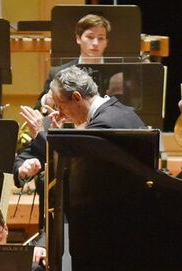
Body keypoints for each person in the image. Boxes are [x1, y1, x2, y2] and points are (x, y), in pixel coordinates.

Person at [15, 66, 146, 228]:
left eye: (60, 106)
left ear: (76, 97)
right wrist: (56, 134)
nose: (60, 114)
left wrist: (41, 134)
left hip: (117, 224)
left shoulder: (103, 125)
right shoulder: (119, 111)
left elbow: (72, 171)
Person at [36, 13, 111, 109]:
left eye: (101, 38)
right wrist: (47, 100)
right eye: (90, 37)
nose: (95, 43)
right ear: (78, 38)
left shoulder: (119, 73)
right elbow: (38, 109)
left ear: (106, 42)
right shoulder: (58, 72)